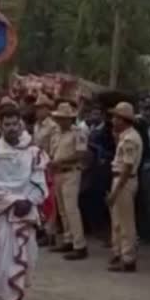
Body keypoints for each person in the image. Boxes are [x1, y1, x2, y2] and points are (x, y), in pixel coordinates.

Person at [0, 106, 47, 300]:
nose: (12, 128)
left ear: (21, 123)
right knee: (3, 263)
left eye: (15, 124)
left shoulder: (32, 151)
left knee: (26, 259)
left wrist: (28, 200)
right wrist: (14, 201)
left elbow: (38, 180)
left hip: (26, 212)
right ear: (1, 127)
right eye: (7, 125)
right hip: (3, 214)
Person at [49, 102, 89, 260]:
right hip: (58, 172)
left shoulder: (78, 133)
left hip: (71, 172)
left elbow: (81, 154)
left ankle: (80, 244)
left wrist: (61, 161)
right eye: (59, 118)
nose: (60, 121)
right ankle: (68, 239)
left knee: (72, 209)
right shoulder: (57, 133)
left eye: (63, 118)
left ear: (70, 119)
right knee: (63, 210)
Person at [107, 102, 144, 272]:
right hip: (122, 179)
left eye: (116, 117)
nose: (113, 120)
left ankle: (128, 258)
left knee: (126, 222)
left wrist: (115, 191)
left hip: (124, 181)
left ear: (123, 120)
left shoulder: (130, 139)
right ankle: (120, 253)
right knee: (118, 221)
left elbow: (127, 167)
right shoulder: (125, 136)